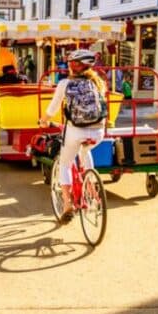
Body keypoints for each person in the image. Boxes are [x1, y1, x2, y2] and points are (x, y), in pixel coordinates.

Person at [38, 49, 107, 223]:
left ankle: (68, 204)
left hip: (76, 130)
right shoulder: (98, 82)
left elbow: (52, 108)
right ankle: (91, 186)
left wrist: (44, 121)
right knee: (86, 150)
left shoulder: (65, 84)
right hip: (98, 131)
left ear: (72, 67)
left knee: (65, 164)